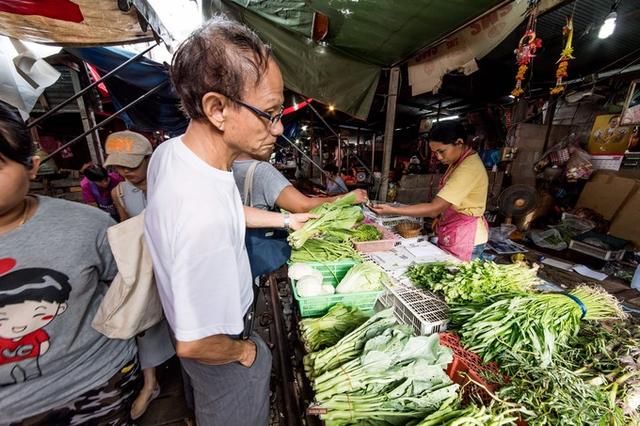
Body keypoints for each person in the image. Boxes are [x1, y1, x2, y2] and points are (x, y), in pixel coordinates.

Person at [143, 17, 313, 426]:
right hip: (221, 349)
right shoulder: (198, 213)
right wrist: (246, 354)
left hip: (203, 332)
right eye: (269, 113)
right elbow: (194, 342)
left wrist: (287, 221)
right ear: (217, 108)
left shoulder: (174, 155)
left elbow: (225, 209)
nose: (279, 128)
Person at [0, 101, 138, 424]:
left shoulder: (88, 226)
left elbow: (126, 288)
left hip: (95, 386)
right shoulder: (97, 191)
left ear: (32, 166)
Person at [103, 130, 175, 420]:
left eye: (131, 165)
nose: (125, 173)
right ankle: (150, 383)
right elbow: (126, 232)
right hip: (147, 268)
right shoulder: (119, 192)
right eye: (119, 167)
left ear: (150, 157)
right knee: (144, 324)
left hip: (176, 265)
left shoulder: (172, 184)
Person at [372, 122, 488, 261]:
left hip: (467, 238)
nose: (438, 157)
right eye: (435, 152)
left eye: (441, 151)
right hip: (454, 230)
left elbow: (434, 209)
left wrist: (392, 210)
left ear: (459, 143)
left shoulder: (469, 168)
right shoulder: (457, 162)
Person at [232, 152, 367, 212]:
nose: (278, 130)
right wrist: (348, 198)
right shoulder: (262, 170)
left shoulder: (229, 165)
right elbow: (303, 205)